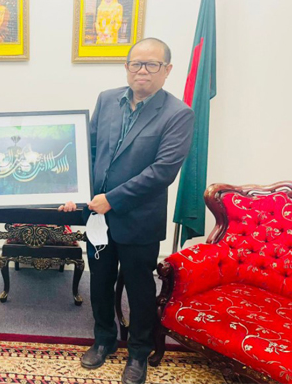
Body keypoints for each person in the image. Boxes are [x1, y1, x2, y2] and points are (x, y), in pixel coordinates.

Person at [59, 38, 194, 384]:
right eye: (136, 63)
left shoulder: (178, 114)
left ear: (167, 70)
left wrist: (113, 199)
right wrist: (76, 192)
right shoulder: (107, 100)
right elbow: (88, 151)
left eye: (152, 64)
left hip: (139, 220)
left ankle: (138, 353)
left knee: (139, 289)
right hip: (97, 217)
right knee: (100, 282)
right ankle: (104, 339)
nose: (142, 70)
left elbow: (162, 172)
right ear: (126, 67)